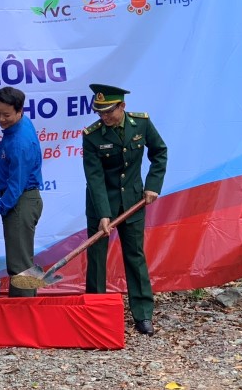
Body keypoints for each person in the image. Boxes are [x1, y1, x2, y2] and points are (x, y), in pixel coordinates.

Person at [82, 84, 168, 336]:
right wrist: (103, 213)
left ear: (122, 106)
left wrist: (153, 186)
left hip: (132, 201)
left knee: (135, 256)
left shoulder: (141, 124)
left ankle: (143, 314)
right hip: (100, 203)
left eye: (109, 111)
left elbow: (160, 152)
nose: (104, 117)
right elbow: (94, 177)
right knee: (97, 258)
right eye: (100, 112)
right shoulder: (92, 135)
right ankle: (95, 310)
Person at [0, 86, 44, 297]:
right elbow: (6, 148)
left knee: (20, 268)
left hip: (20, 203)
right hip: (22, 200)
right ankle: (25, 308)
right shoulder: (22, 124)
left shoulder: (20, 143)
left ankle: (23, 311)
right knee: (21, 262)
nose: (1, 119)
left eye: (6, 115)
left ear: (19, 111)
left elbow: (15, 188)